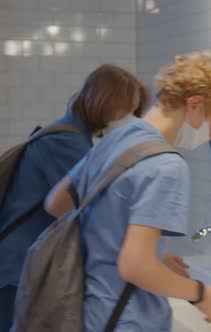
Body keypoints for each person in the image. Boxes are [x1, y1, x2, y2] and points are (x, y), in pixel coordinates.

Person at [45, 51, 211, 331]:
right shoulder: (166, 165)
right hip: (130, 320)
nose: (209, 135)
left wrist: (153, 254)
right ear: (194, 105)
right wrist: (201, 294)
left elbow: (56, 203)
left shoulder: (116, 138)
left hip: (92, 313)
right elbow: (134, 267)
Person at [0, 64, 147, 331]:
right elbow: (91, 212)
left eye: (135, 111)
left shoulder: (71, 135)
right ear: (103, 102)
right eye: (127, 110)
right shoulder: (66, 143)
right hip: (17, 267)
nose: (131, 118)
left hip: (20, 264)